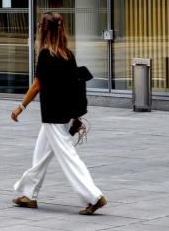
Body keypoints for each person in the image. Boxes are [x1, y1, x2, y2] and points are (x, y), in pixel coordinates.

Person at [10, 12, 107, 215]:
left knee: (68, 156)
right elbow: (73, 86)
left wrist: (21, 107)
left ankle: (93, 196)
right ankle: (29, 195)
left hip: (53, 114)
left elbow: (37, 85)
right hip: (65, 113)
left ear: (45, 30)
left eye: (40, 25)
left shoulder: (46, 54)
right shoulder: (68, 54)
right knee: (41, 154)